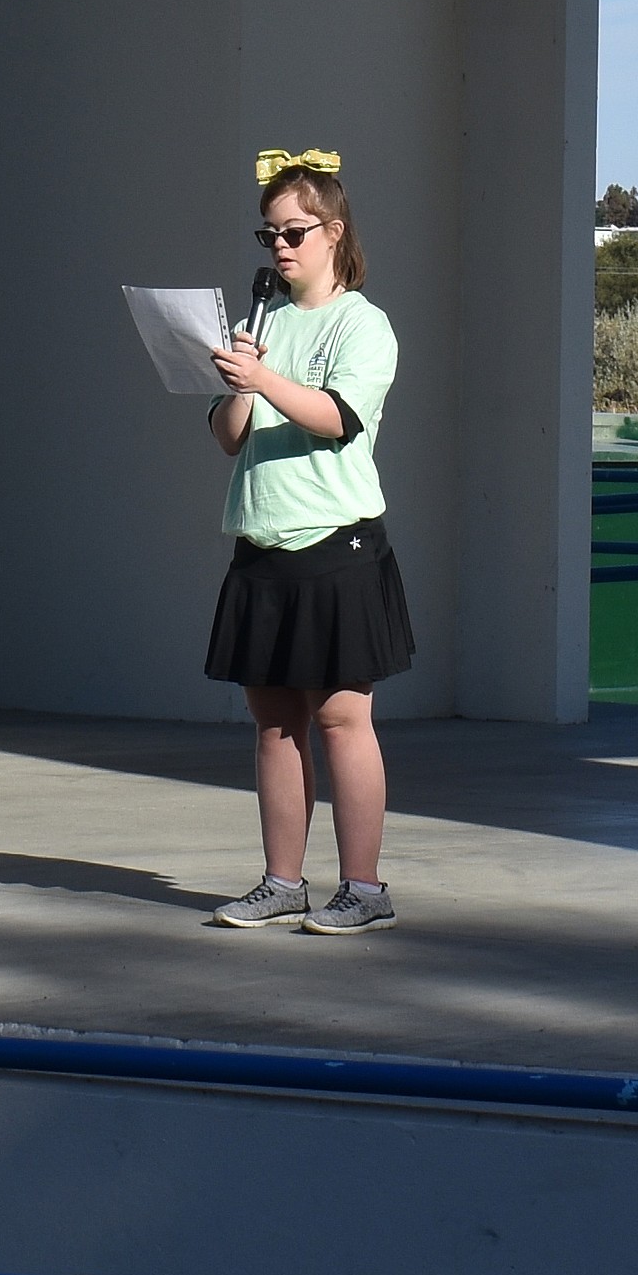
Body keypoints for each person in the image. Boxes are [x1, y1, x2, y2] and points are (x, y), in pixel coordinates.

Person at [204, 147, 414, 935]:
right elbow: (229, 438)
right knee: (274, 722)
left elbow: (337, 418)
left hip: (337, 544)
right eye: (269, 236)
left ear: (334, 231)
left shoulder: (363, 325)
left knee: (339, 719)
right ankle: (280, 881)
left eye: (295, 232)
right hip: (261, 543)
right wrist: (236, 383)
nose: (281, 247)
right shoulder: (263, 325)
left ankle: (363, 888)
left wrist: (265, 384)